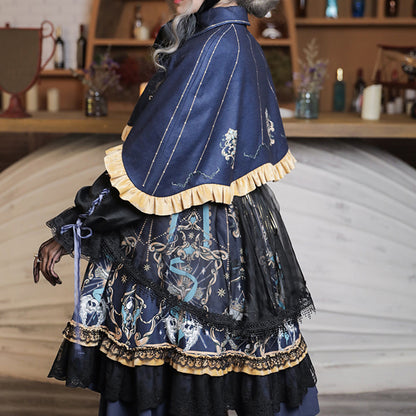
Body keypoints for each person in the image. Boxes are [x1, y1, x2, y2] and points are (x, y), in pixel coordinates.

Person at [33, 0, 319, 415]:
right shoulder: (235, 39)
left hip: (186, 240)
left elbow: (153, 166)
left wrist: (77, 226)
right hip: (234, 230)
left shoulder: (215, 45)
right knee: (221, 362)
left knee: (176, 371)